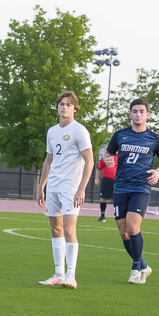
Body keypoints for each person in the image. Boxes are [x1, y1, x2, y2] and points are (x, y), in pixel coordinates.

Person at [103, 97, 159, 284]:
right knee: (123, 231)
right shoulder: (120, 135)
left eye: (142, 111)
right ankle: (143, 265)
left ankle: (135, 269)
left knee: (133, 227)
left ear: (147, 115)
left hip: (140, 187)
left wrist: (157, 173)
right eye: (135, 111)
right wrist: (108, 159)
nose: (138, 114)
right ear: (130, 114)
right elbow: (108, 154)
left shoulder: (154, 138)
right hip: (121, 187)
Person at [36, 91, 94, 289]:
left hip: (71, 188)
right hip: (53, 186)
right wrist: (41, 186)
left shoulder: (79, 131)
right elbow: (49, 160)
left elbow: (90, 160)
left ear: (75, 109)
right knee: (56, 229)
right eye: (61, 104)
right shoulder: (52, 132)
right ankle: (58, 273)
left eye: (68, 105)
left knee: (69, 230)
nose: (64, 107)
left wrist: (82, 189)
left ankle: (71, 275)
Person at [94, 138, 117, 222]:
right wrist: (96, 178)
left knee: (119, 198)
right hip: (107, 180)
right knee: (103, 198)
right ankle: (102, 216)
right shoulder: (107, 157)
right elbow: (99, 168)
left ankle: (119, 216)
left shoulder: (122, 157)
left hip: (118, 181)